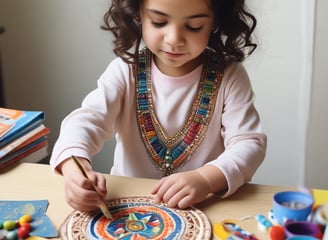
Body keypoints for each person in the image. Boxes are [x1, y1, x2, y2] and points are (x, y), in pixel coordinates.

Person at [50, 0, 267, 212]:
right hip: (127, 209)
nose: (174, 40)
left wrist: (206, 179)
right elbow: (86, 121)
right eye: (158, 22)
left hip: (202, 209)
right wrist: (74, 169)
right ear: (138, 14)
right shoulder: (125, 71)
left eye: (194, 26)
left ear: (215, 22)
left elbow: (248, 144)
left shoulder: (230, 76)